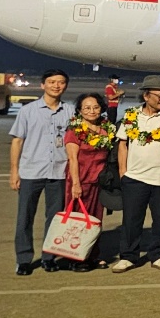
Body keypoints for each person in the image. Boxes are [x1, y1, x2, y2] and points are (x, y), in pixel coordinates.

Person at [109, 76, 160, 273]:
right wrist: (123, 173)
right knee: (131, 220)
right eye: (159, 95)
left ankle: (159, 254)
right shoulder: (131, 116)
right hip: (135, 178)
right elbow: (123, 145)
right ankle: (128, 256)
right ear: (146, 95)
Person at [9, 69, 72, 275]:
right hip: (31, 171)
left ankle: (49, 257)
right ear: (42, 85)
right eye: (52, 82)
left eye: (61, 82)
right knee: (25, 217)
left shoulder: (70, 111)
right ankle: (24, 259)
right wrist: (14, 171)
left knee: (55, 218)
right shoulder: (28, 111)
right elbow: (17, 141)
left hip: (59, 172)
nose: (56, 86)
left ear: (65, 86)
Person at [62, 92, 113, 272]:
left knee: (95, 220)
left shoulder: (106, 128)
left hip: (98, 182)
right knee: (79, 221)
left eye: (96, 107)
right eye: (87, 108)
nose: (92, 111)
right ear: (80, 111)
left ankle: (93, 254)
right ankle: (77, 257)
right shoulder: (74, 130)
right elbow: (73, 159)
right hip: (80, 180)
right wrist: (75, 184)